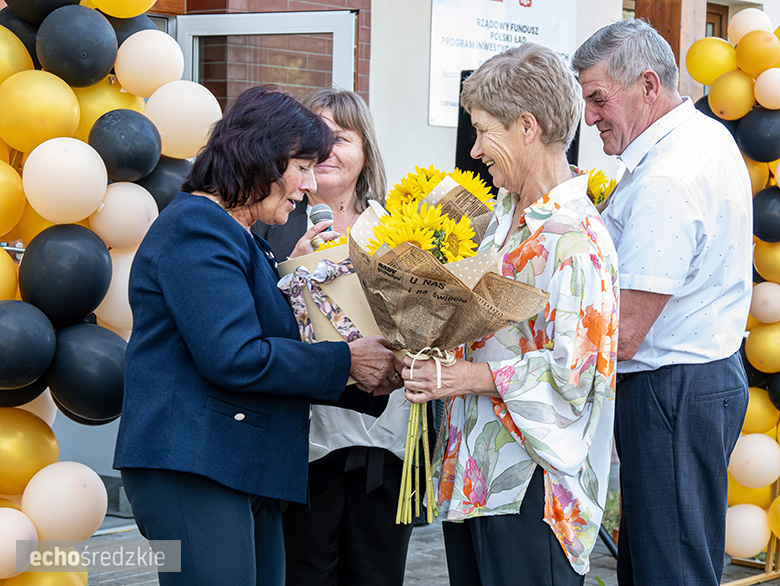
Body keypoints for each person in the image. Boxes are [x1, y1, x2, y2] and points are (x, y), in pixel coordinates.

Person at [113, 85, 403, 586]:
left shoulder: (235, 233)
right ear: (261, 159)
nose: (309, 184)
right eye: (302, 167)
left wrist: (379, 372)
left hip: (240, 467)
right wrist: (348, 363)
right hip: (193, 467)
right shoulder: (198, 228)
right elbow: (235, 356)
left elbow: (276, 345)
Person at [400, 43, 619, 585]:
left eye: (482, 130)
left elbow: (576, 373)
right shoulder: (499, 218)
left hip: (532, 488)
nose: (474, 150)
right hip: (472, 472)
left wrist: (464, 377)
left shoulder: (576, 239)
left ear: (527, 126)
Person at [572, 19, 752, 586]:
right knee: (662, 561)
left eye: (599, 99)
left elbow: (624, 333)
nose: (589, 117)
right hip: (694, 382)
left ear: (649, 85)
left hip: (671, 389)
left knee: (668, 570)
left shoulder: (667, 176)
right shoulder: (699, 138)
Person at [254, 88, 414, 586]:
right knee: (304, 574)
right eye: (314, 139)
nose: (325, 151)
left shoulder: (401, 228)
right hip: (305, 441)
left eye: (340, 138)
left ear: (366, 150)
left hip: (385, 439)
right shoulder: (271, 229)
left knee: (376, 574)